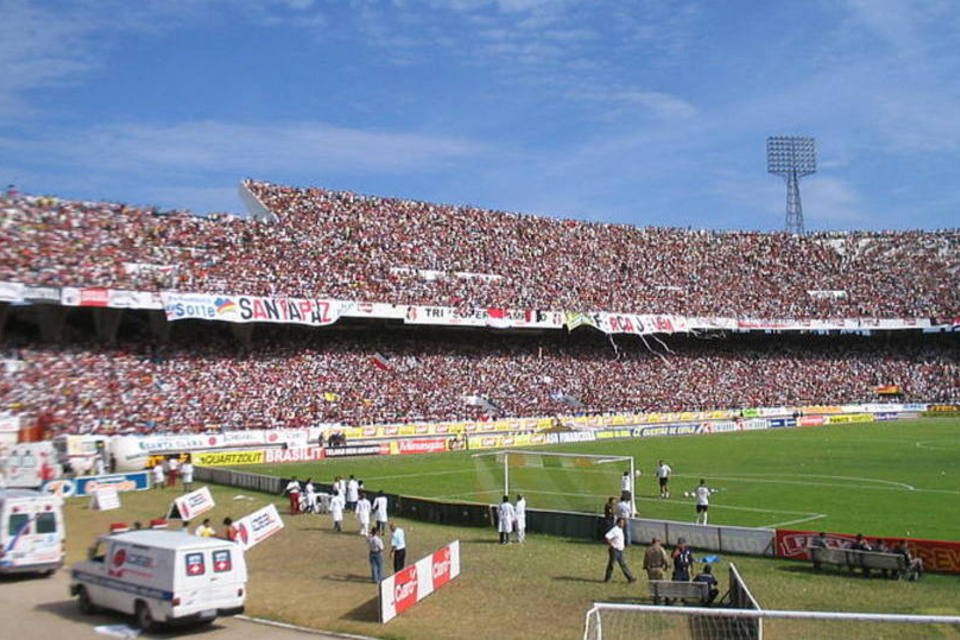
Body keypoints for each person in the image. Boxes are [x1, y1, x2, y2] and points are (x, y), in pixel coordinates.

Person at [603, 517, 637, 583]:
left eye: (623, 523)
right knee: (611, 565)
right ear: (618, 523)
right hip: (614, 550)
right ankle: (607, 579)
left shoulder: (620, 530)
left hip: (620, 550)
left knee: (623, 564)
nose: (623, 524)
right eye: (621, 523)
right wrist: (612, 545)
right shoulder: (615, 530)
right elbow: (607, 536)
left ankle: (630, 578)